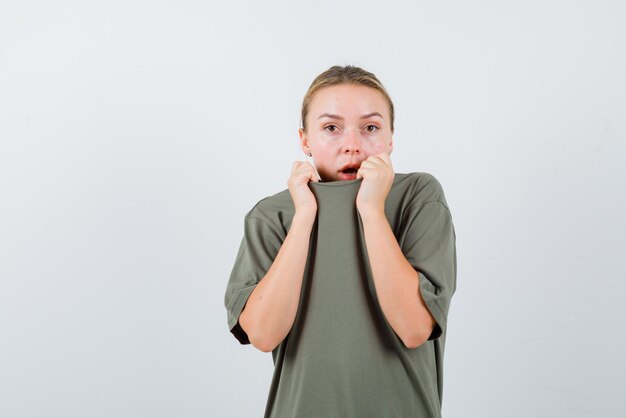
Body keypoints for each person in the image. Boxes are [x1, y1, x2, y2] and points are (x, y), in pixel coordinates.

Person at [224, 65, 457, 418]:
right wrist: (304, 217)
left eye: (371, 128)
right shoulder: (273, 215)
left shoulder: (417, 196)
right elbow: (263, 335)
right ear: (304, 139)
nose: (352, 145)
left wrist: (371, 209)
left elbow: (415, 328)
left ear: (391, 137)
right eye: (331, 128)